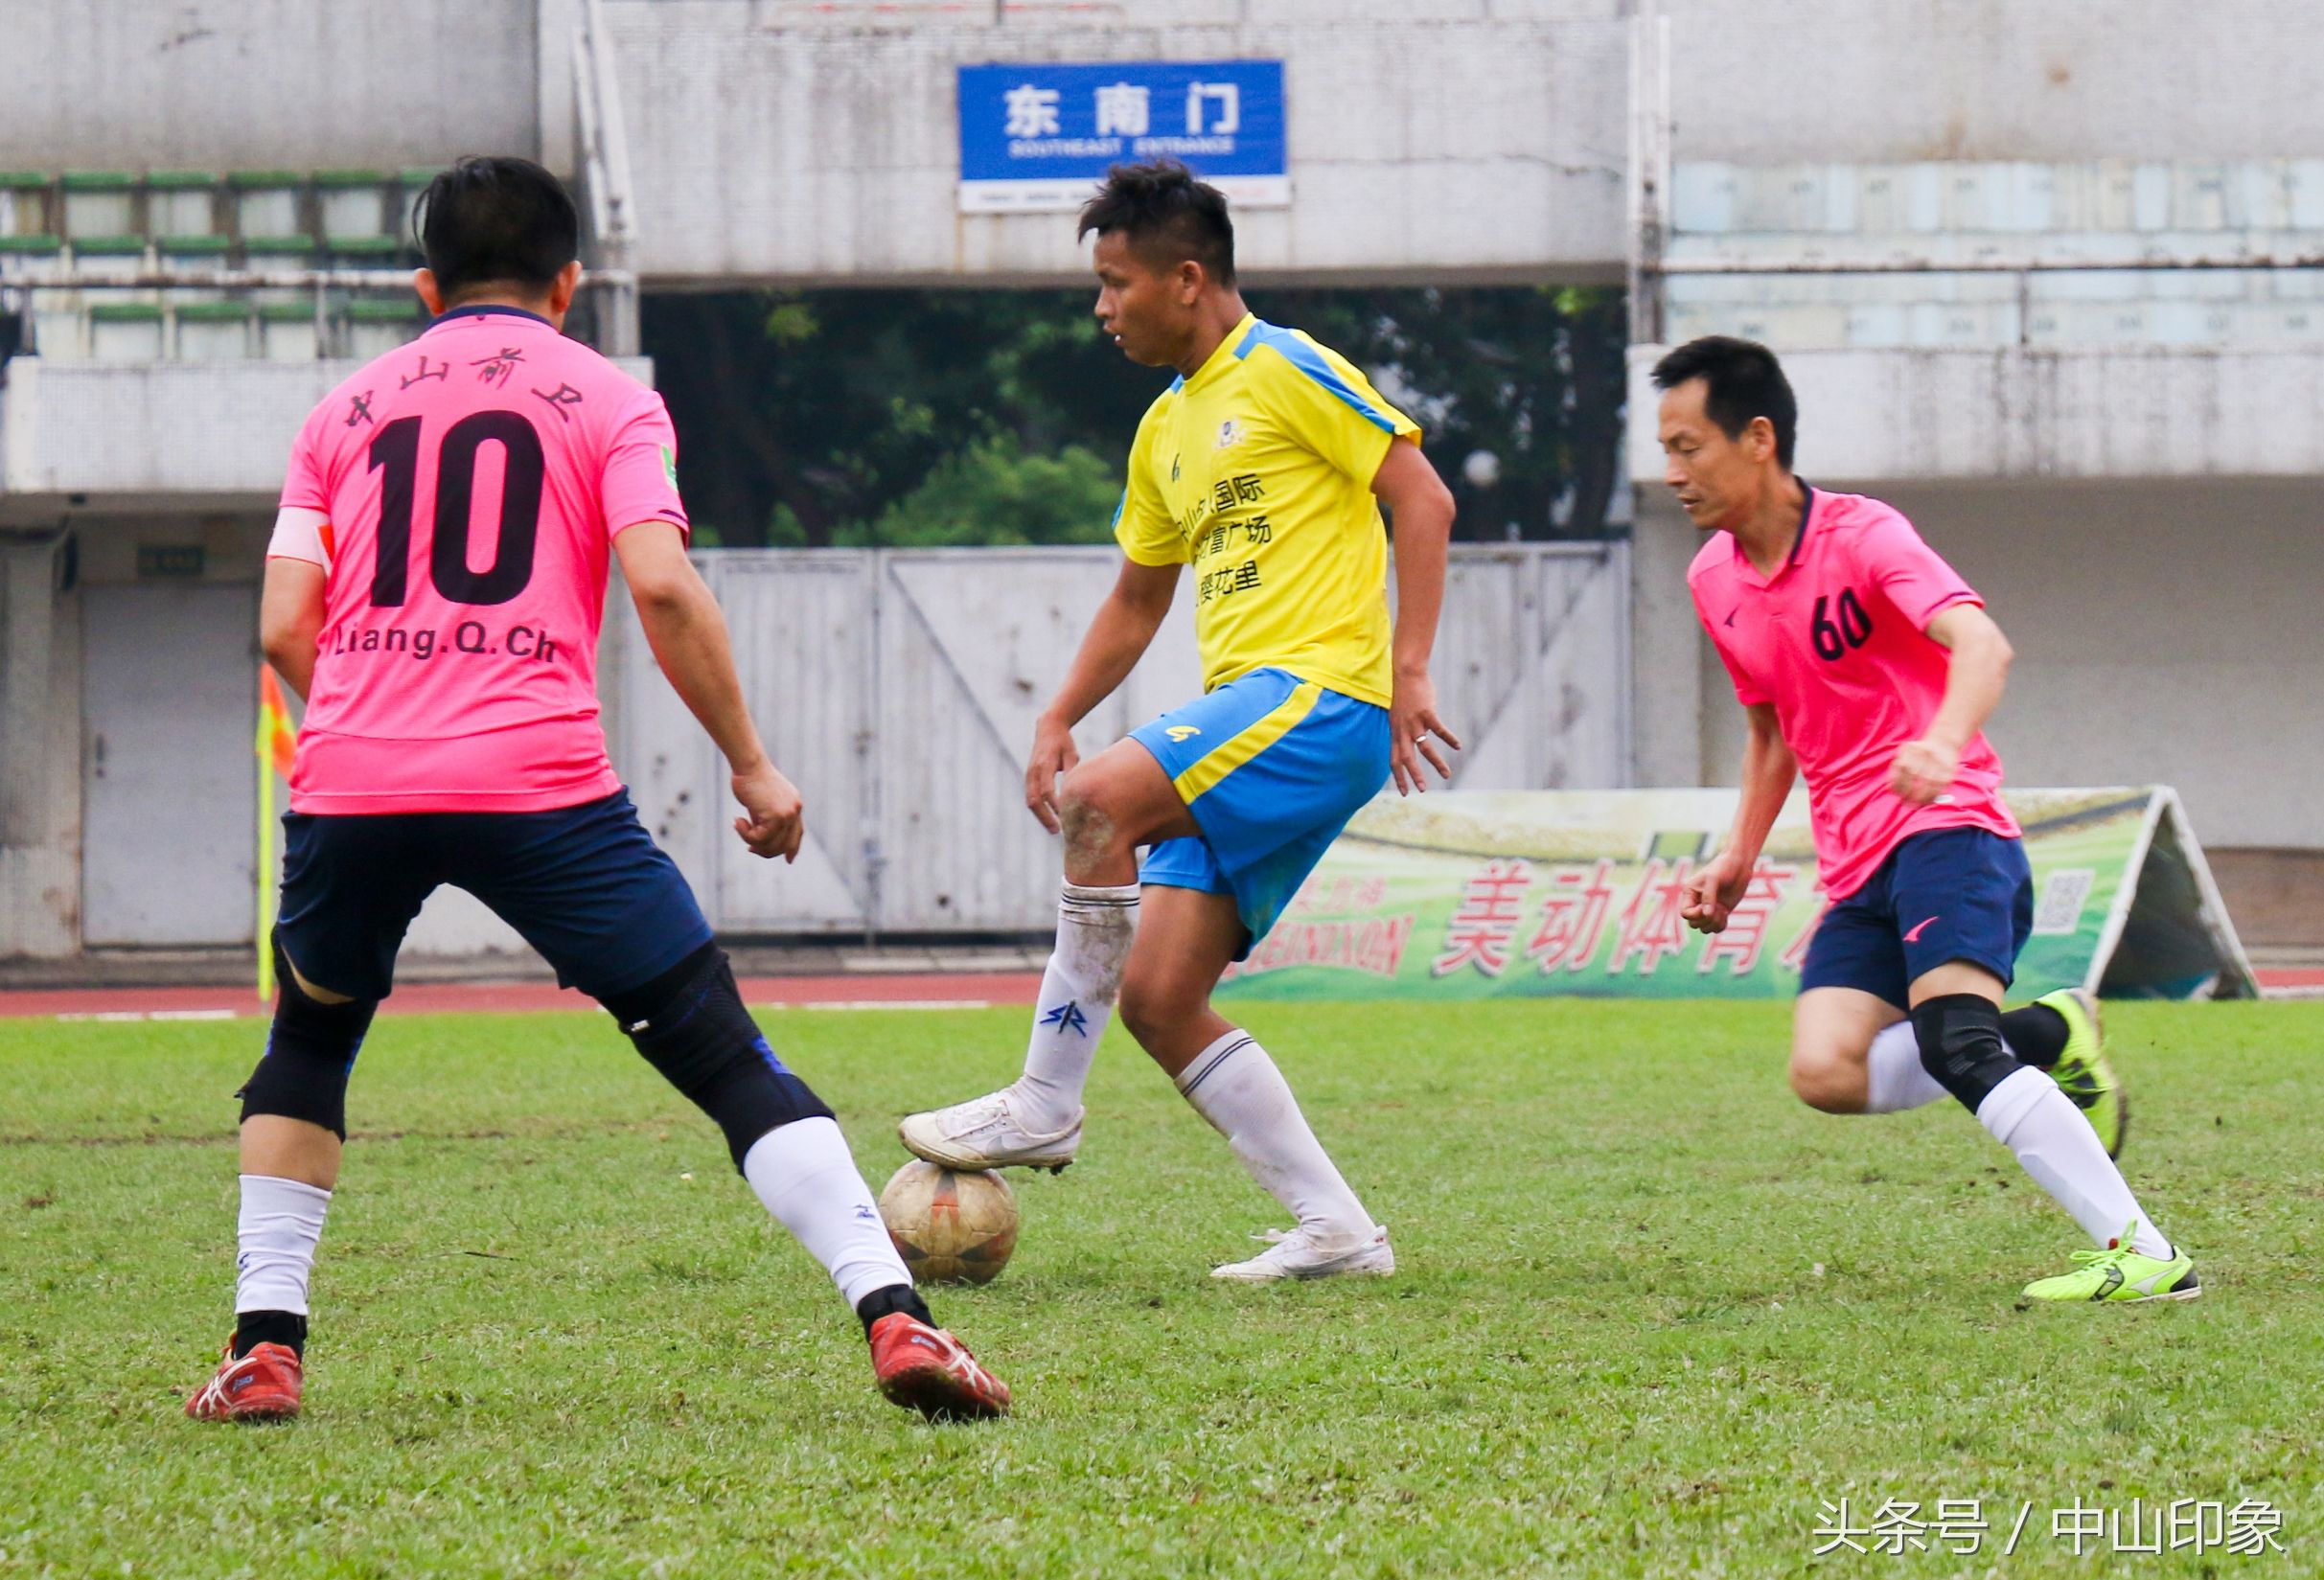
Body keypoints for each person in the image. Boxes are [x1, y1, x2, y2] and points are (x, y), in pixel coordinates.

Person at [184, 157, 1009, 1422]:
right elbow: (664, 588)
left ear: (425, 287)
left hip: (353, 778)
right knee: (724, 1056)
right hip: (541, 785)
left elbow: (287, 623)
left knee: (308, 1045)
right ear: (567, 284)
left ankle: (264, 1349)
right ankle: (897, 1319)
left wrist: (372, 726)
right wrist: (751, 762)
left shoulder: (339, 413)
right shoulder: (613, 398)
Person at [899, 160, 1460, 1282]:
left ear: (1187, 279)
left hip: (1315, 699)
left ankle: (1046, 1099)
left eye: (1114, 284)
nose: (1102, 308)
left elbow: (1423, 495)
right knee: (1160, 998)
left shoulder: (1286, 365)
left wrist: (1408, 670)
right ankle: (1340, 1231)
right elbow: (1138, 596)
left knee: (1097, 803)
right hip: (1248, 712)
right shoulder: (1164, 427)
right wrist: (1059, 710)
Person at [1659, 334, 2196, 1303]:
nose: (1673, 472)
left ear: (1757, 438)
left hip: (1949, 826)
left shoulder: (1863, 536)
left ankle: (2142, 1248)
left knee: (1953, 1039)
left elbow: (1980, 643)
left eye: (1689, 446)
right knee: (1824, 1070)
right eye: (1666, 448)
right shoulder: (1713, 579)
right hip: (1855, 860)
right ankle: (2048, 1032)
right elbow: (1771, 729)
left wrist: (1943, 741)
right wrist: (1738, 856)